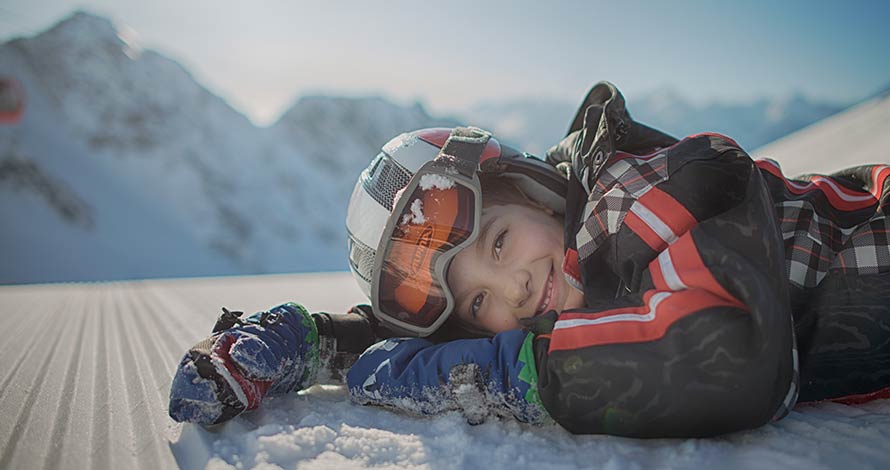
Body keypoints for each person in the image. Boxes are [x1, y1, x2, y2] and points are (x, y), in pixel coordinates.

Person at [169, 81, 890, 437]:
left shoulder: (640, 188)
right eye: (478, 303)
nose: (512, 289)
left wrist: (509, 375)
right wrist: (319, 339)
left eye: (499, 242)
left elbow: (724, 354)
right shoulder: (570, 272)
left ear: (538, 190)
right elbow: (441, 337)